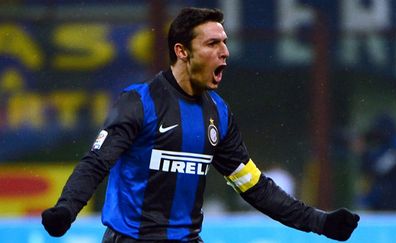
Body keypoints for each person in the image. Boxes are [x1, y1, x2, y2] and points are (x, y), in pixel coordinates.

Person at [41, 7, 359, 242]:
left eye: (224, 42)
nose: (225, 52)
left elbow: (255, 187)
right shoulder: (139, 103)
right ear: (182, 51)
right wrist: (67, 209)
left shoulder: (218, 114)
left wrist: (321, 222)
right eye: (212, 44)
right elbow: (97, 162)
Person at [359, 113, 396, 210]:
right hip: (388, 196)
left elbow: (380, 168)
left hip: (394, 197)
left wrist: (364, 153)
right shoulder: (388, 144)